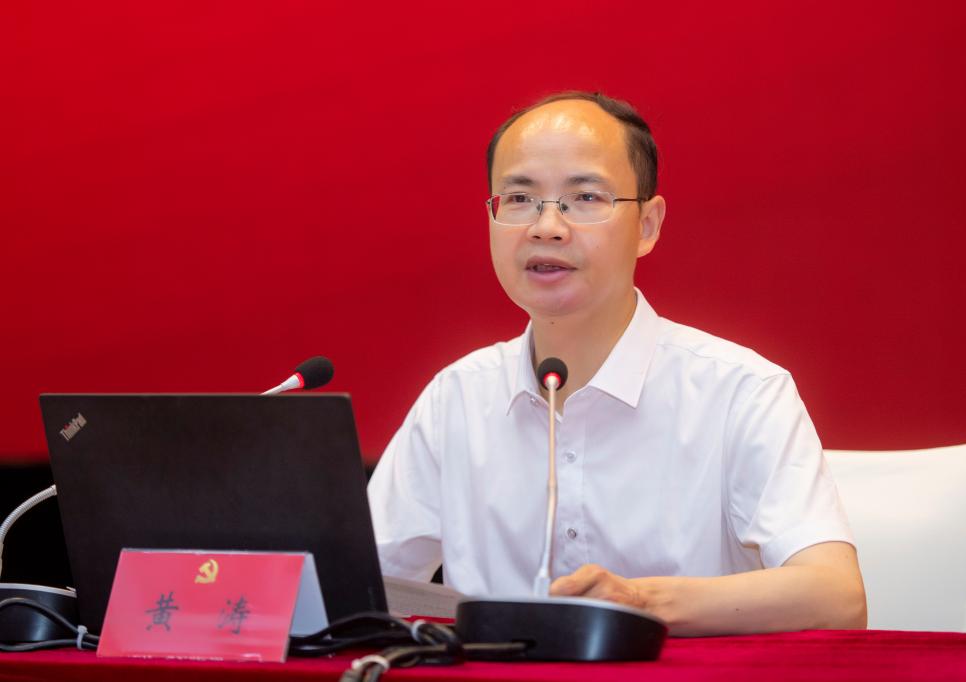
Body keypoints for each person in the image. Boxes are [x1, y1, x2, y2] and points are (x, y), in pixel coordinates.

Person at [367, 91, 867, 635]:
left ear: (647, 225)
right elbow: (357, 590)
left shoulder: (741, 391)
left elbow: (835, 597)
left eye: (585, 197)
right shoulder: (457, 398)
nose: (547, 227)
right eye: (519, 198)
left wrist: (639, 602)